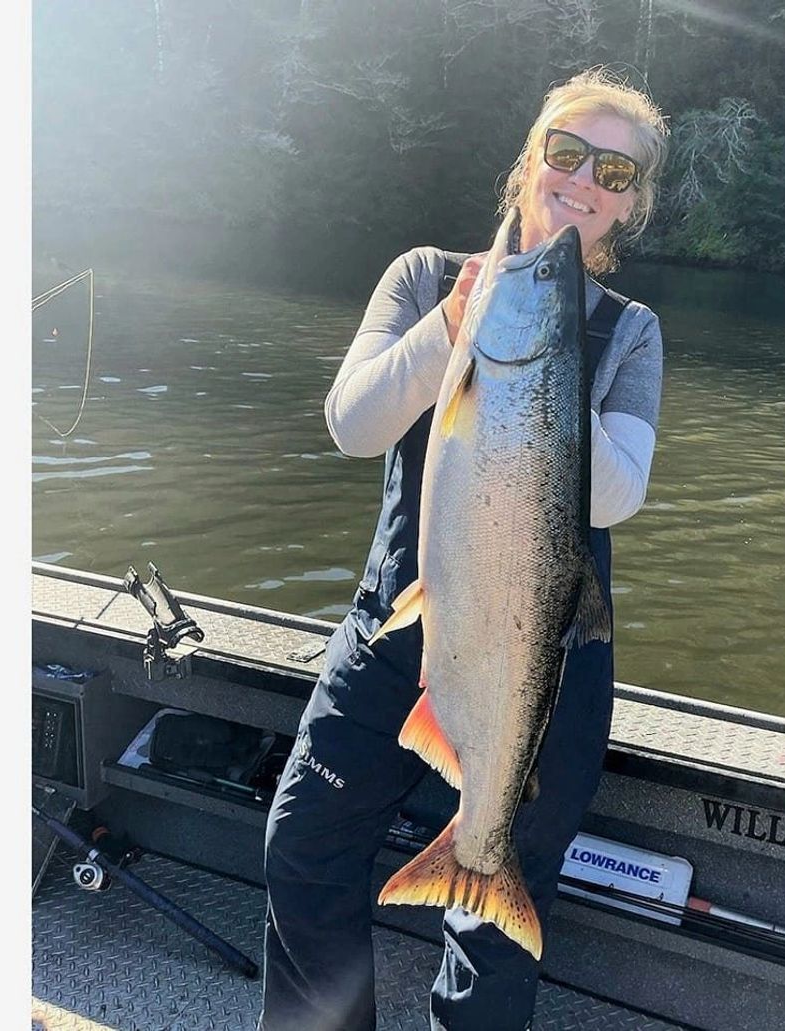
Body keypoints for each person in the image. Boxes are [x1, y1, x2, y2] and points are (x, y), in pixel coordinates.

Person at [259, 67, 670, 1031]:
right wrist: (454, 327)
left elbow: (618, 496)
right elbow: (353, 426)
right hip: (400, 623)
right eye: (567, 152)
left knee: (492, 926)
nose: (583, 180)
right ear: (532, 157)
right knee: (304, 844)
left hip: (543, 659)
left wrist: (545, 354)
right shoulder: (423, 277)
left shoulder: (630, 334)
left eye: (613, 170)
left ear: (630, 203)